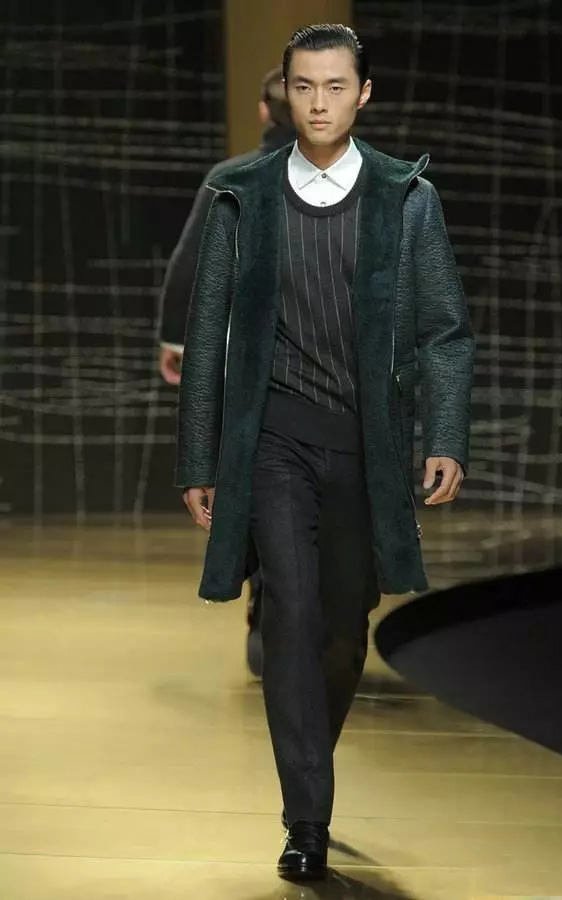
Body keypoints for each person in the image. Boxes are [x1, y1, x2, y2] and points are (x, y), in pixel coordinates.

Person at [176, 24, 475, 882]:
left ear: (363, 94)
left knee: (344, 630)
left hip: (366, 449)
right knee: (291, 615)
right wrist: (199, 457)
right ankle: (306, 818)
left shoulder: (405, 197)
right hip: (273, 441)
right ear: (286, 92)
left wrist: (445, 436)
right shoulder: (242, 195)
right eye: (305, 86)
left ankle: (309, 759)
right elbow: (207, 331)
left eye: (336, 86)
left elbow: (445, 330)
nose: (318, 102)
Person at [159, 68, 295, 677]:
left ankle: (268, 597)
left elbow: (190, 264)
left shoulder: (232, 176)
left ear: (264, 112)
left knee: (256, 475)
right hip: (334, 368)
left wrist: (176, 341)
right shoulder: (360, 178)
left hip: (246, 364)